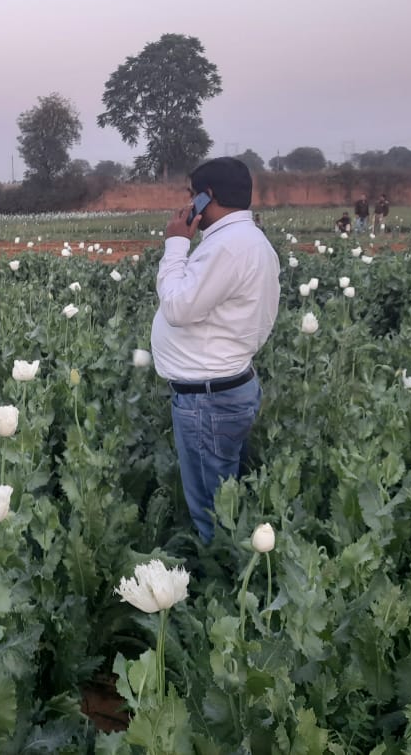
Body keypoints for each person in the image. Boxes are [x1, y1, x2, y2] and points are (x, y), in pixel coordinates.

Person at [151, 157, 280, 545]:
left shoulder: (228, 247)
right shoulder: (249, 241)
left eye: (192, 195)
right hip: (224, 389)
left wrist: (175, 243)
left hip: (208, 401)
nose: (188, 204)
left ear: (210, 198)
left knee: (213, 513)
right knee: (226, 499)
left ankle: (221, 588)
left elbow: (176, 307)